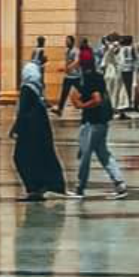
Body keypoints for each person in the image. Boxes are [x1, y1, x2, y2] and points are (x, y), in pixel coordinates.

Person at [9, 60, 66, 202]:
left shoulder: (27, 89)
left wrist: (16, 128)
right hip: (40, 131)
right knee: (40, 157)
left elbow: (23, 112)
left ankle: (33, 188)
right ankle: (43, 186)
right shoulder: (37, 89)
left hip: (28, 131)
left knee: (21, 157)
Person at [71, 67, 128, 199]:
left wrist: (82, 105)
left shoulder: (90, 82)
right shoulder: (99, 81)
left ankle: (80, 187)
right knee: (104, 154)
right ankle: (120, 184)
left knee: (85, 155)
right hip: (101, 124)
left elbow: (96, 100)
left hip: (92, 124)